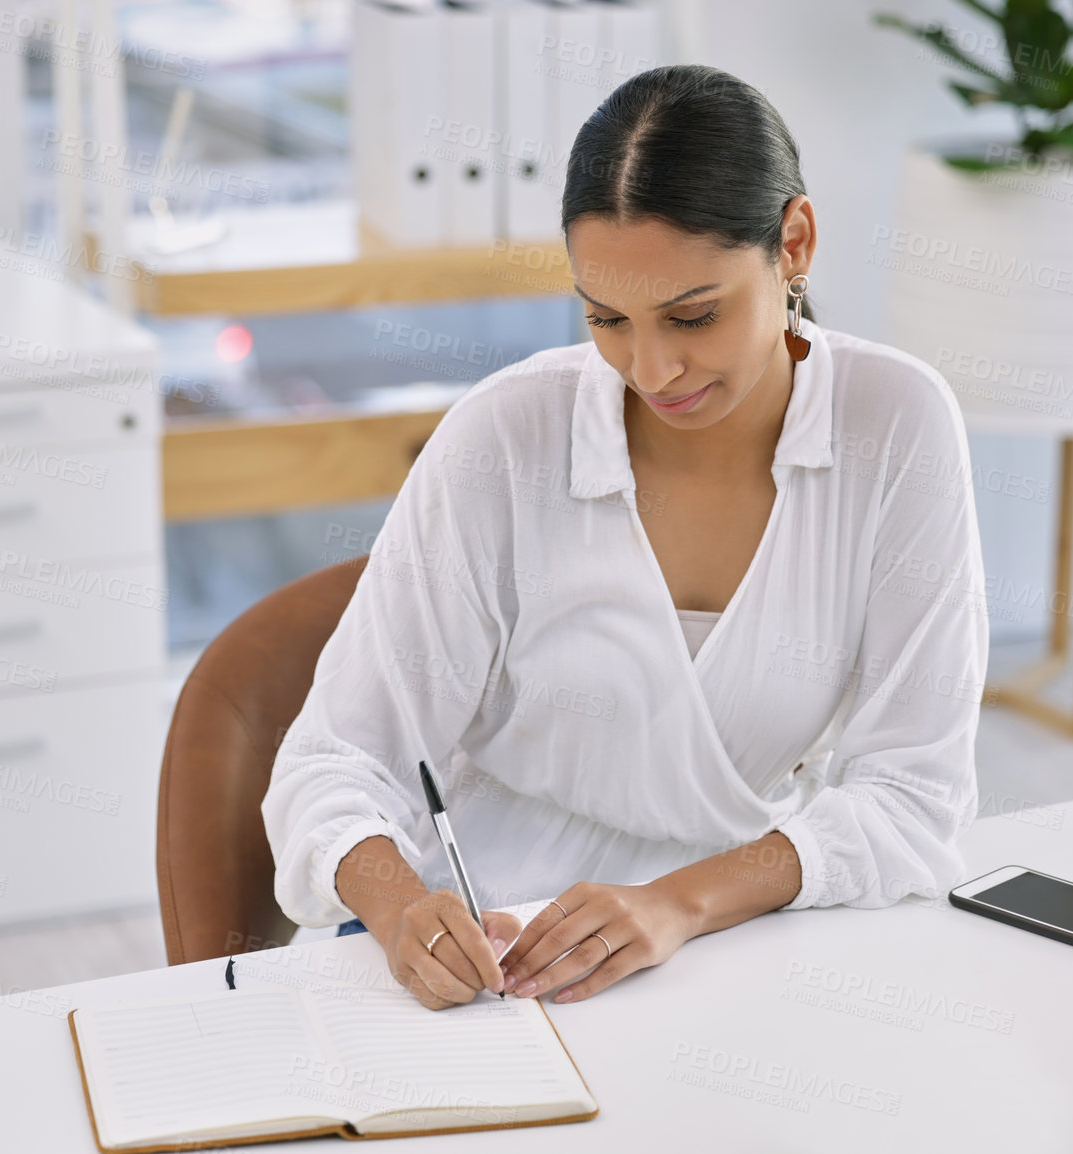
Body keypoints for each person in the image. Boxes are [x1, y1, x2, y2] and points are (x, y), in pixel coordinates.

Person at [262, 64, 989, 1010]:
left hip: (735, 938)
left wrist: (677, 904)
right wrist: (402, 910)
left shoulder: (896, 425)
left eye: (693, 316)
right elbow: (333, 762)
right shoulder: (506, 434)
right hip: (483, 947)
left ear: (794, 243)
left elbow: (914, 798)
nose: (651, 369)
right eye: (606, 319)